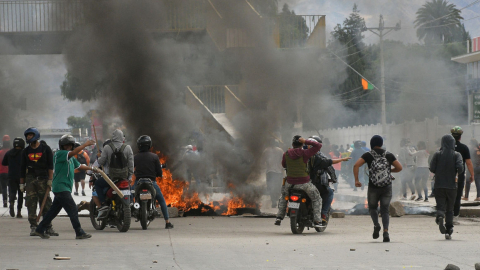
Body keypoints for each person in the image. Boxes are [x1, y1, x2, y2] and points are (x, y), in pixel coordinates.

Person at [34, 135, 95, 239]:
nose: (68, 147)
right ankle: (79, 232)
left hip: (63, 187)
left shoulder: (71, 158)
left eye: (70, 145)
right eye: (66, 145)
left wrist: (92, 168)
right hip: (61, 187)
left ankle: (40, 229)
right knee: (73, 209)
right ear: (62, 146)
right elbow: (73, 153)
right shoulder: (60, 154)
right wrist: (85, 145)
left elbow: (80, 166)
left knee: (53, 211)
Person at [353, 135, 402, 242]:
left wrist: (357, 180)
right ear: (381, 144)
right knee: (385, 210)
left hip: (373, 186)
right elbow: (399, 168)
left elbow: (356, 165)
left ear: (371, 144)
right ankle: (385, 231)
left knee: (373, 208)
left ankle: (376, 225)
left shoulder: (368, 155)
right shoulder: (388, 154)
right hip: (387, 186)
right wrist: (389, 171)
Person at [275, 135, 323, 227]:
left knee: (284, 198)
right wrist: (306, 141)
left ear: (292, 144)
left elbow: (284, 165)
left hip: (290, 184)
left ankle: (279, 217)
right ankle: (318, 221)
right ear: (302, 144)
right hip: (304, 184)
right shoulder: (305, 153)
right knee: (317, 198)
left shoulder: (286, 154)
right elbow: (318, 146)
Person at [20, 127, 58, 236]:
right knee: (31, 203)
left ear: (36, 136)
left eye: (30, 135)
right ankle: (33, 226)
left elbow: (51, 166)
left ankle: (48, 227)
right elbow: (22, 168)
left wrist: (50, 180)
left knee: (46, 204)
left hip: (43, 179)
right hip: (30, 180)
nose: (28, 137)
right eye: (27, 136)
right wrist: (22, 183)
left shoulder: (45, 149)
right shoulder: (25, 151)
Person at [133, 135, 173, 229]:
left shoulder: (135, 157)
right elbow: (159, 171)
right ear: (149, 145)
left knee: (130, 197)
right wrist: (158, 174)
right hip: (151, 182)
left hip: (138, 182)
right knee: (161, 200)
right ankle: (167, 222)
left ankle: (129, 213)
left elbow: (131, 169)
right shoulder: (154, 156)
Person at [309, 136, 350, 225]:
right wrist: (334, 179)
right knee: (330, 193)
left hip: (300, 182)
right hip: (317, 183)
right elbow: (329, 166)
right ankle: (323, 214)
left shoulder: (300, 154)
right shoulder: (319, 156)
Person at [429, 134, 463, 240]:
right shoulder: (457, 155)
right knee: (450, 209)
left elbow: (432, 168)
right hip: (452, 186)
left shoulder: (437, 154)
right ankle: (449, 229)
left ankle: (439, 216)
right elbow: (460, 168)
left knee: (440, 206)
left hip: (439, 185)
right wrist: (455, 172)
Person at [96, 129, 134, 212]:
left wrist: (98, 157)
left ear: (113, 137)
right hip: (124, 176)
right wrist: (130, 176)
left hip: (110, 177)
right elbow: (131, 165)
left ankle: (103, 204)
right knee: (128, 186)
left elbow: (101, 161)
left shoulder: (107, 147)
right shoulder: (128, 148)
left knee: (98, 184)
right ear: (122, 137)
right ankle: (131, 201)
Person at [450, 126, 474, 224]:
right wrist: (472, 175)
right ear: (460, 137)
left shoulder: (445, 147)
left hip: (446, 176)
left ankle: (446, 215)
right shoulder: (464, 148)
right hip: (459, 176)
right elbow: (468, 163)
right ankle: (455, 218)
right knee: (457, 196)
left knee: (448, 196)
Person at [2, 137, 25, 218]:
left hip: (11, 175)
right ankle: (19, 212)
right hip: (21, 176)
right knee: (20, 194)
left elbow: (4, 163)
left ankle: (11, 202)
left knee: (12, 191)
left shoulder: (9, 153)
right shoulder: (24, 153)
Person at [262, 139, 284, 208]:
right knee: (277, 186)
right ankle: (277, 199)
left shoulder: (266, 150)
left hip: (269, 171)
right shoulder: (280, 150)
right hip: (278, 171)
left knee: (271, 186)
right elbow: (284, 160)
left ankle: (273, 201)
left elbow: (263, 161)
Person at [0, 135, 11, 207]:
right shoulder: (11, 152)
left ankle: (5, 201)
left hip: (1, 172)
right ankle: (12, 199)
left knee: (4, 187)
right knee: (10, 186)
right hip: (10, 172)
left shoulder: (0, 152)